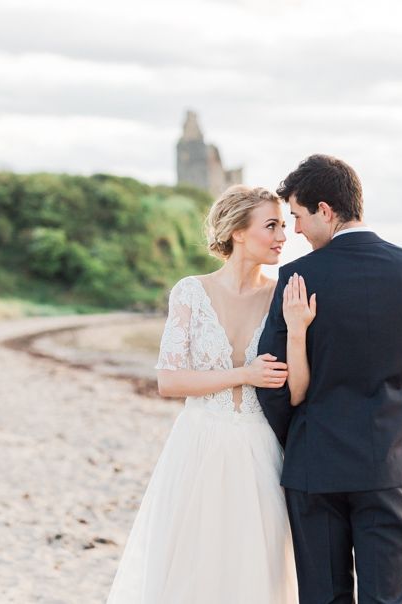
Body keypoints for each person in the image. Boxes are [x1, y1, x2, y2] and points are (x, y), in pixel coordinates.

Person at [257, 155, 402, 604]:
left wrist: (296, 435)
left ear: (325, 210)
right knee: (390, 596)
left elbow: (275, 380)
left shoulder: (296, 277)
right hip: (391, 457)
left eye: (298, 217)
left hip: (316, 460)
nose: (296, 231)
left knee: (323, 596)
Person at [106, 185, 308, 603]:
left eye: (284, 226)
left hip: (259, 448)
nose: (282, 237)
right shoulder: (190, 291)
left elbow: (296, 389)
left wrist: (300, 329)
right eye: (271, 225)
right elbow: (170, 381)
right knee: (191, 568)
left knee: (257, 569)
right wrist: (245, 373)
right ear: (237, 231)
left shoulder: (281, 296)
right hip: (198, 444)